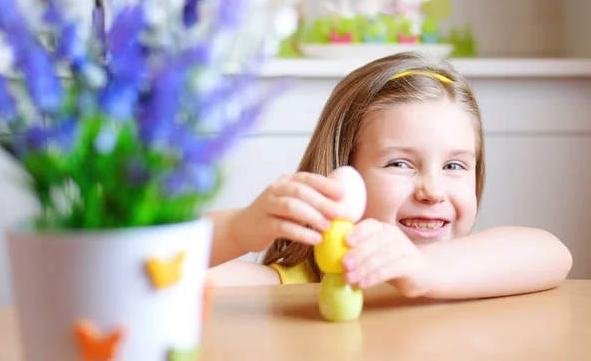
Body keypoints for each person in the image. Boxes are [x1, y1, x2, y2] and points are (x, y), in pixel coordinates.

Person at [205, 52, 572, 299]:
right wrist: (237, 229)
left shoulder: (473, 270)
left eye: (454, 166)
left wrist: (423, 270)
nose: (432, 191)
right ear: (341, 172)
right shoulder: (292, 288)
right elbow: (165, 269)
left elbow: (554, 254)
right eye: (400, 164)